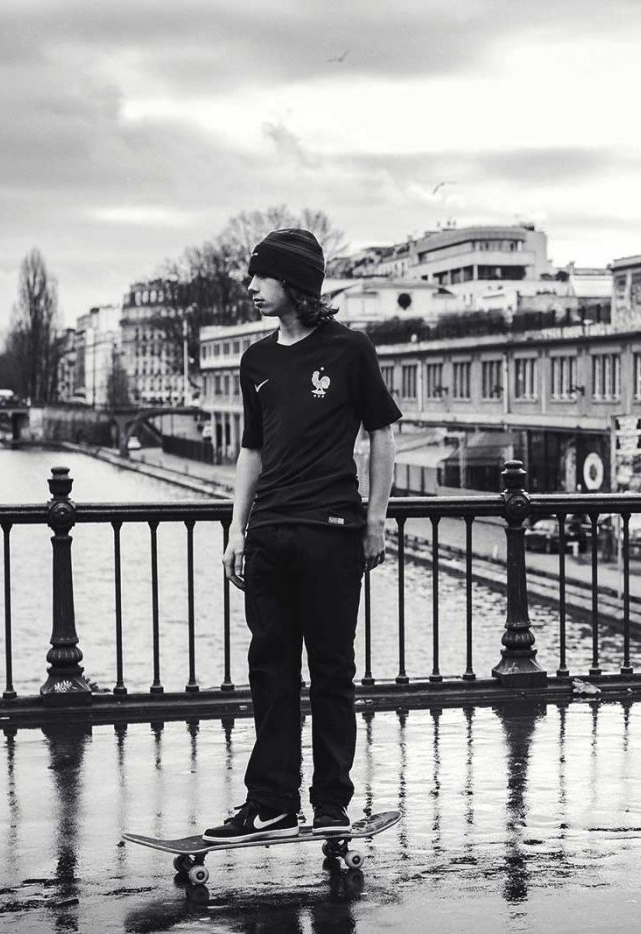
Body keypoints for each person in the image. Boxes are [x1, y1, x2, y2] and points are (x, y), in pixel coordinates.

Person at [203, 228, 401, 843]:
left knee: (332, 672)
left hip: (332, 533)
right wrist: (237, 531)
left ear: (293, 283)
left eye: (260, 276)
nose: (251, 286)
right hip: (269, 535)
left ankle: (332, 804)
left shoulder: (350, 350)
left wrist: (374, 521)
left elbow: (382, 434)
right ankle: (272, 802)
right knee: (271, 671)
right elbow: (252, 450)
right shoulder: (255, 360)